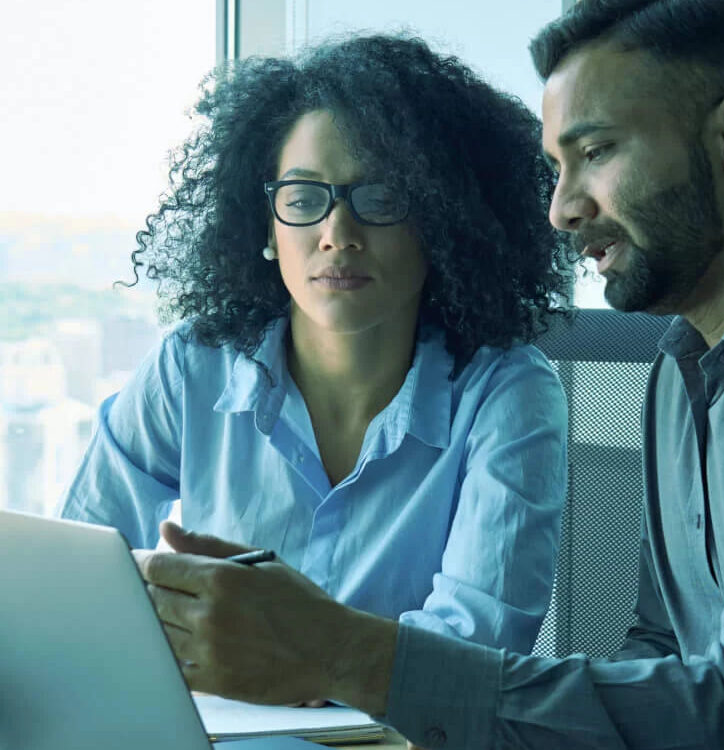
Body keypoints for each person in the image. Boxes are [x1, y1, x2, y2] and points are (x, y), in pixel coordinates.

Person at [134, 2, 724, 748]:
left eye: (596, 153)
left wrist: (337, 650)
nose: (561, 209)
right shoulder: (679, 370)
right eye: (557, 167)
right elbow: (658, 653)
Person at [59, 34, 576, 659]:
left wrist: (299, 657)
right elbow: (77, 569)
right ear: (268, 229)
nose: (337, 234)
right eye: (303, 199)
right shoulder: (191, 367)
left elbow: (474, 651)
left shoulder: (508, 394)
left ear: (441, 222)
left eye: (380, 198)